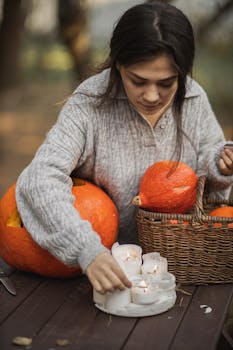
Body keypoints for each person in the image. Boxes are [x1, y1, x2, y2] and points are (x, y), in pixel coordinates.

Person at [16, 1, 233, 294]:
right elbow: (39, 179)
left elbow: (211, 177)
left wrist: (220, 164)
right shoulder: (89, 104)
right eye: (139, 81)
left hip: (179, 269)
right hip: (98, 271)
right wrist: (87, 250)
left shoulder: (193, 98)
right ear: (119, 64)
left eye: (166, 83)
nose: (153, 95)